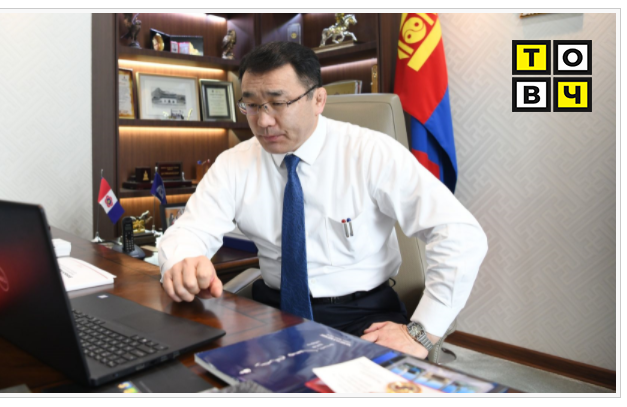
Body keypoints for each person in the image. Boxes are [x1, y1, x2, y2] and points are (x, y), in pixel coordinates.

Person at [157, 41, 487, 359]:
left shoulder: (370, 153)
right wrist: (184, 261)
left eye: (278, 103)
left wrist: (421, 331)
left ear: (318, 100)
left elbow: (460, 234)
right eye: (252, 105)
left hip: (361, 317)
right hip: (272, 313)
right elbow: (189, 230)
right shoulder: (234, 163)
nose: (264, 121)